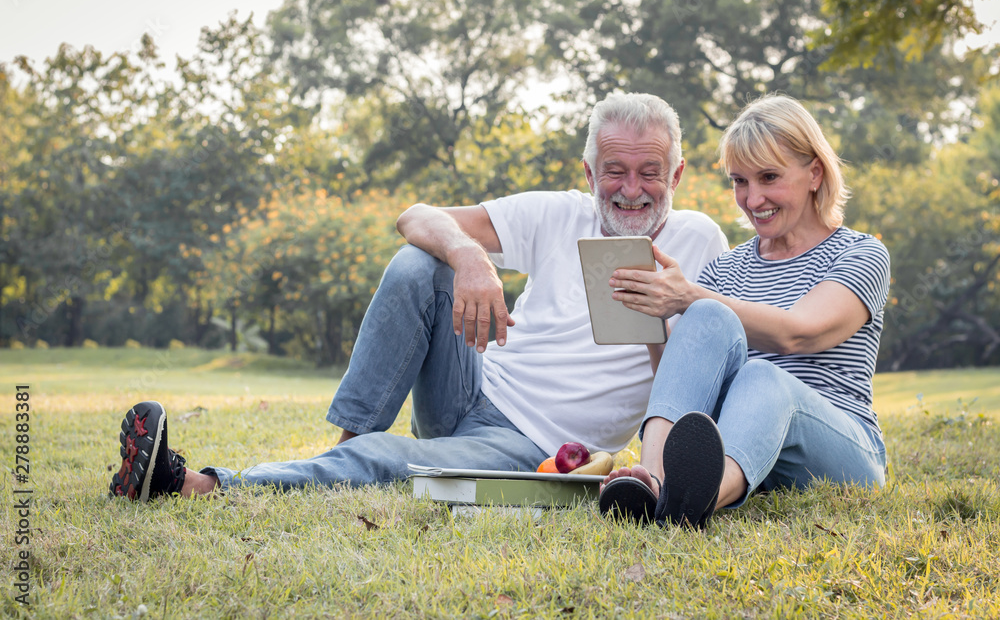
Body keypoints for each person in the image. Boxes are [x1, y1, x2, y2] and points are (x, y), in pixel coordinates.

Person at [109, 92, 730, 501]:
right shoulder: (558, 213)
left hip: (534, 442)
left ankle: (199, 485)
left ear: (676, 174)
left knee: (395, 461)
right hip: (472, 382)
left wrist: (653, 314)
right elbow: (416, 214)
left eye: (650, 172)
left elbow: (685, 379)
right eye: (614, 171)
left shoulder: (700, 239)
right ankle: (349, 448)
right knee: (419, 262)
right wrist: (468, 258)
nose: (631, 189)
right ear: (589, 173)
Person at [597, 94, 890, 529]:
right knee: (708, 318)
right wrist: (652, 313)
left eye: (769, 177)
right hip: (750, 447)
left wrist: (689, 297)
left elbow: (800, 334)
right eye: (740, 181)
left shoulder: (860, 253)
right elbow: (685, 381)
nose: (753, 200)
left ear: (814, 173)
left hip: (843, 452)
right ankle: (656, 481)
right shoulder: (726, 268)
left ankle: (702, 498)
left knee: (761, 372)